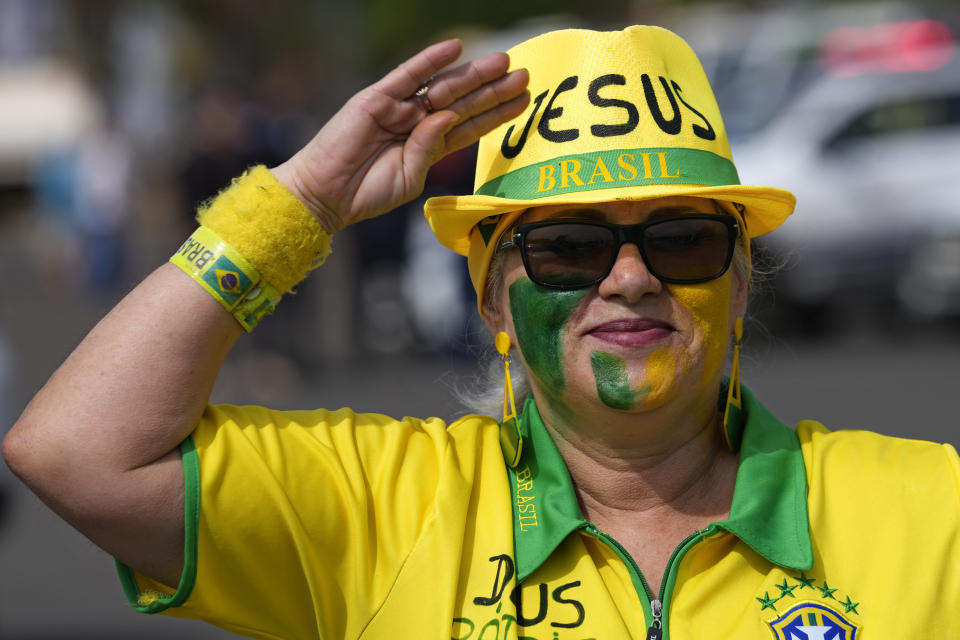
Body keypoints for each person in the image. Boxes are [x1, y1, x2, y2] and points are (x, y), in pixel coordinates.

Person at [3, 25, 959, 640]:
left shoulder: (930, 513)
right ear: (493, 302)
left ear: (740, 283)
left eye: (683, 238)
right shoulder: (381, 509)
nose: (630, 278)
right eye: (569, 249)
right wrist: (296, 207)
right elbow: (74, 451)